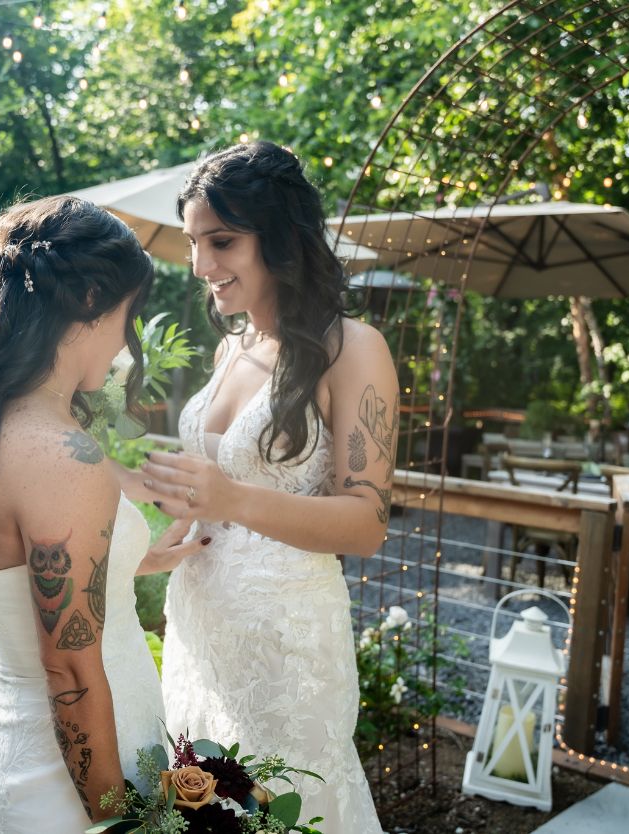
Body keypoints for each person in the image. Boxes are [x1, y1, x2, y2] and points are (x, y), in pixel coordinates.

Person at [0, 195, 208, 833]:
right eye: (130, 317)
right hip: (71, 773)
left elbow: (18, 580)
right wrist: (118, 821)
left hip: (12, 735)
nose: (129, 344)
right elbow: (68, 669)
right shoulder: (60, 453)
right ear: (94, 300)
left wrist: (132, 558)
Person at [137, 142, 396, 833]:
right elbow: (218, 492)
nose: (200, 266)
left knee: (284, 811)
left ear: (280, 237)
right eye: (194, 243)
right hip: (198, 628)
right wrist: (172, 524)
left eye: (220, 241)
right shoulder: (229, 350)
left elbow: (367, 523)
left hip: (286, 644)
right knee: (205, 810)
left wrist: (231, 499)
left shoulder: (352, 348)